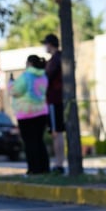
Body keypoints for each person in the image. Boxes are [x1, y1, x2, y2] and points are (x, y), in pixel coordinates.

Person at [9, 55, 50, 175]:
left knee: (29, 143)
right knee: (39, 141)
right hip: (42, 112)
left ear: (30, 63)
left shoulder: (25, 76)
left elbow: (15, 91)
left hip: (26, 113)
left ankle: (33, 169)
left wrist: (11, 83)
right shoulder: (44, 76)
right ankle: (44, 168)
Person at [42, 33, 65, 173]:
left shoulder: (56, 60)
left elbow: (47, 78)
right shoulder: (58, 58)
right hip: (56, 99)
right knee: (57, 132)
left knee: (57, 132)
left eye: (45, 43)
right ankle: (59, 162)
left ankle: (59, 164)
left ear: (50, 44)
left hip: (54, 100)